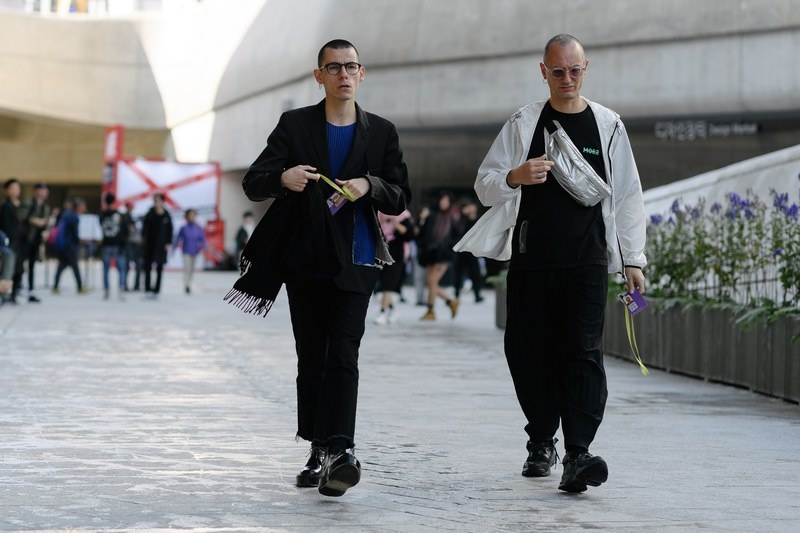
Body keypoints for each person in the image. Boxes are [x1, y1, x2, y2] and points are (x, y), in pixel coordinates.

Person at [225, 39, 410, 497]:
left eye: (351, 66)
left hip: (357, 258)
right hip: (306, 259)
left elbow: (400, 195)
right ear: (319, 76)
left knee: (343, 353)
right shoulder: (295, 124)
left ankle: (340, 450)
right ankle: (317, 447)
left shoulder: (381, 131)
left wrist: (369, 184)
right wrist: (282, 178)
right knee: (312, 358)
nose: (343, 74)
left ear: (362, 73)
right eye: (334, 67)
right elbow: (253, 182)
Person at [471, 34, 647, 493]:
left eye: (574, 70)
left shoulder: (608, 125)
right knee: (526, 351)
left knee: (583, 352)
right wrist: (515, 176)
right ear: (543, 72)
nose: (567, 79)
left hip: (587, 261)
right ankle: (541, 439)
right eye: (558, 71)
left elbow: (628, 195)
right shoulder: (523, 123)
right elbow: (485, 185)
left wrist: (634, 260)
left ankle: (578, 453)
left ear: (586, 69)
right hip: (531, 261)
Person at [416, 191, 460, 320]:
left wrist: (449, 249)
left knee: (432, 281)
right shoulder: (432, 216)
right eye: (442, 200)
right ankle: (449, 302)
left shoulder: (453, 218)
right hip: (431, 254)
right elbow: (423, 233)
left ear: (450, 203)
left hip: (444, 255)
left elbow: (457, 237)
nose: (443, 203)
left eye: (446, 201)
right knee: (431, 283)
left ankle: (432, 310)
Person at [373, 209, 413, 324]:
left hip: (397, 254)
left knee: (388, 284)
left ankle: (382, 311)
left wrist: (395, 223)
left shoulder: (403, 215)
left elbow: (409, 235)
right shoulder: (379, 213)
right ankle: (392, 309)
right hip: (382, 253)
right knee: (383, 283)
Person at [18, 181, 50, 302]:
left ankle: (31, 290)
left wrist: (45, 228)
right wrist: (37, 221)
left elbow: (46, 221)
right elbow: (23, 217)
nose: (44, 193)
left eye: (46, 191)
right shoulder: (28, 203)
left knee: (32, 265)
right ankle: (18, 286)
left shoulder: (45, 207)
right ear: (36, 191)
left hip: (36, 239)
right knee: (20, 264)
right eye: (42, 190)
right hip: (25, 238)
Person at [52, 198, 89, 294]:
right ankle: (80, 287)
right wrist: (80, 241)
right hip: (69, 245)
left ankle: (55, 286)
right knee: (74, 266)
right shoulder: (74, 218)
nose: (84, 208)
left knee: (62, 265)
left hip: (63, 245)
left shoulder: (67, 215)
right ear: (78, 207)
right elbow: (74, 234)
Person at [141, 194, 173, 299]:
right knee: (147, 267)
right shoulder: (150, 214)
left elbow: (170, 230)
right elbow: (144, 228)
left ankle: (157, 290)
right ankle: (147, 289)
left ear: (163, 202)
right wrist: (144, 240)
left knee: (159, 267)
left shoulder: (166, 215)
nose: (157, 203)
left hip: (161, 245)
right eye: (155, 201)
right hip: (150, 244)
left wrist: (168, 243)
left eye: (159, 201)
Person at [453, 199, 484, 303]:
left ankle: (477, 295)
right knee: (458, 273)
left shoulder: (477, 219)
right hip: (462, 250)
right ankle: (456, 294)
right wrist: (464, 215)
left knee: (475, 273)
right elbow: (458, 230)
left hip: (472, 251)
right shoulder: (462, 219)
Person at [99, 192, 128, 300]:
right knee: (121, 269)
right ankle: (121, 289)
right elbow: (124, 230)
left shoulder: (102, 215)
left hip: (106, 244)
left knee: (106, 269)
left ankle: (107, 291)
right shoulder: (119, 215)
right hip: (117, 245)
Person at [173, 208, 206, 294]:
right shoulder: (184, 228)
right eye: (190, 215)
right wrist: (175, 247)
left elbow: (202, 239)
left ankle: (189, 283)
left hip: (195, 251)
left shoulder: (198, 228)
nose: (192, 217)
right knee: (187, 268)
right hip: (186, 251)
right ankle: (186, 284)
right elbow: (178, 238)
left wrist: (201, 247)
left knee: (191, 269)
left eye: (193, 215)